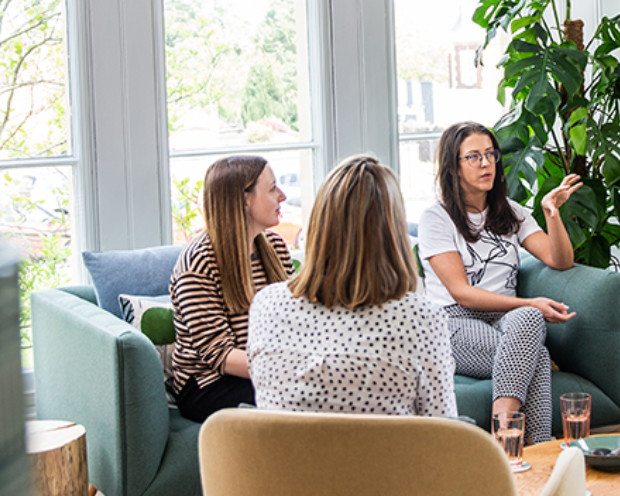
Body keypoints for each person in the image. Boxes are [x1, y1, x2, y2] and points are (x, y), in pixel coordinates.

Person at [246, 155, 457, 418]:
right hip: (385, 459)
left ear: (320, 223)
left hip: (285, 458)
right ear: (393, 231)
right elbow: (442, 432)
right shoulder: (421, 318)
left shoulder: (266, 305)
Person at [418, 121, 584, 444]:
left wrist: (551, 213)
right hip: (451, 322)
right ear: (453, 168)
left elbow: (560, 259)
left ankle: (509, 442)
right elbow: (462, 294)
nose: (486, 164)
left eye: (491, 154)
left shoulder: (510, 212)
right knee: (532, 352)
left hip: (504, 321)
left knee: (528, 320)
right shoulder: (435, 219)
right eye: (474, 157)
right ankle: (526, 443)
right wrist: (529, 302)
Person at [168, 155, 295, 423]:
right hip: (208, 384)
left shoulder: (275, 247)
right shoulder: (199, 263)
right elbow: (221, 356)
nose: (282, 196)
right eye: (272, 188)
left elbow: (294, 320)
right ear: (245, 200)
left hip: (264, 366)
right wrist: (288, 368)